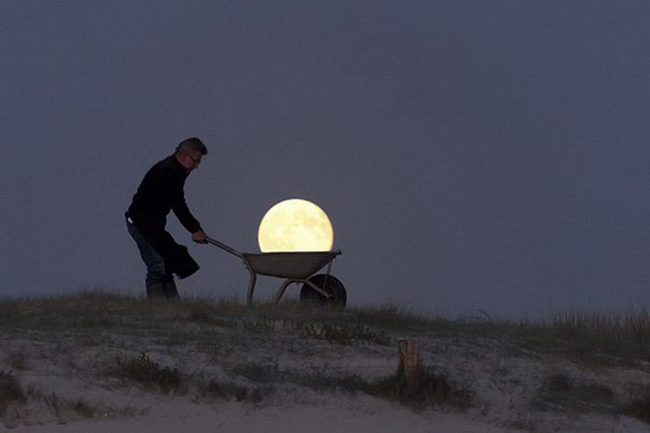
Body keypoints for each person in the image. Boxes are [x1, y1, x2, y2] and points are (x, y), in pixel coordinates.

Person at [126, 137, 208, 299]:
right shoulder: (168, 172)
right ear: (184, 155)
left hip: (154, 225)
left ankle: (173, 307)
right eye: (196, 161)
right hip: (140, 223)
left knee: (169, 261)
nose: (197, 166)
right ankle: (157, 310)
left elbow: (176, 202)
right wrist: (194, 229)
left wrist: (195, 228)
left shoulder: (177, 170)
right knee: (157, 265)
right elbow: (178, 204)